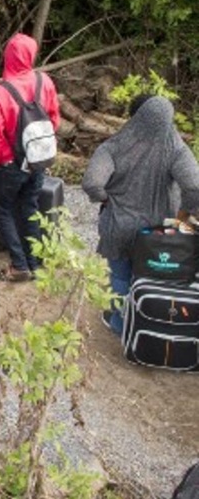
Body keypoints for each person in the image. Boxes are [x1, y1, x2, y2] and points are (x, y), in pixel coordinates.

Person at [83, 95, 199, 335]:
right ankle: (147, 321)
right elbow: (195, 187)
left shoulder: (113, 146)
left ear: (134, 118)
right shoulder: (176, 149)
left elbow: (92, 183)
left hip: (119, 225)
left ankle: (120, 323)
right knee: (152, 275)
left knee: (120, 275)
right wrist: (183, 215)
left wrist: (106, 200)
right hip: (159, 230)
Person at [0, 33, 60, 282]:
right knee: (30, 206)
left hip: (10, 163)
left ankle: (19, 265)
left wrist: (0, 163)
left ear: (7, 56)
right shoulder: (44, 81)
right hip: (37, 160)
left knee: (4, 209)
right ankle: (36, 263)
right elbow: (54, 121)